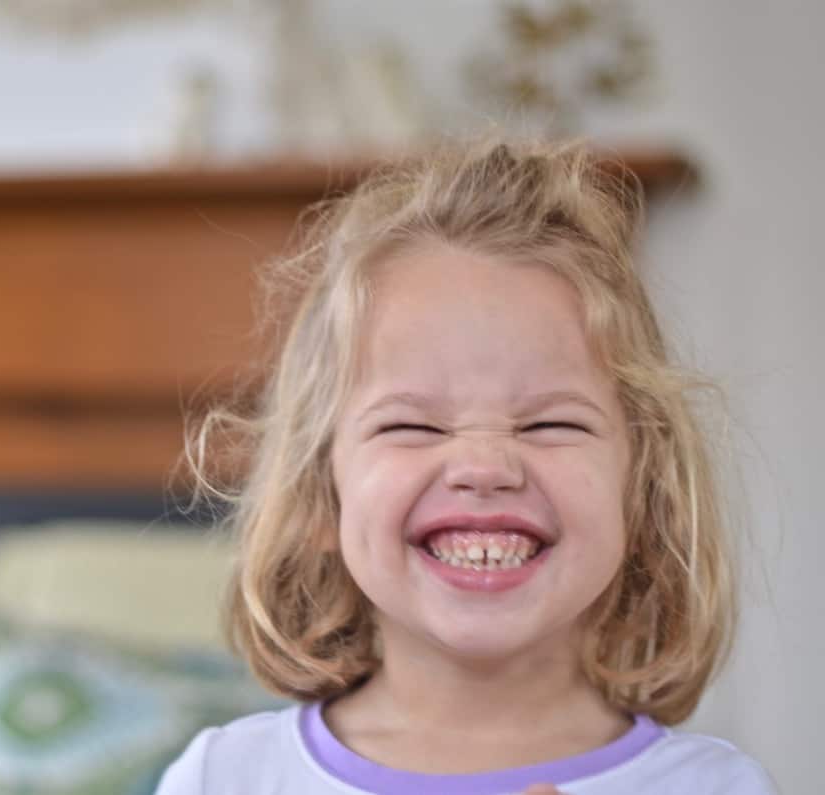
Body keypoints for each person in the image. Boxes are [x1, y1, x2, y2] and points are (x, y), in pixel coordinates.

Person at [155, 137, 777, 794]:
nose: (484, 465)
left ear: (642, 490)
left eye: (551, 422)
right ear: (319, 494)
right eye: (412, 424)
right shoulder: (223, 777)